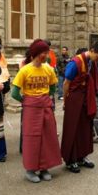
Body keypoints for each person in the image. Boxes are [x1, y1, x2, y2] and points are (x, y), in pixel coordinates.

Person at [11, 39, 62, 183]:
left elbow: (52, 87)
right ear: (35, 54)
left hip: (45, 106)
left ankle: (45, 168)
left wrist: (48, 98)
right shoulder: (25, 70)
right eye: (43, 53)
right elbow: (14, 92)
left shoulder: (48, 69)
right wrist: (26, 102)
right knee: (31, 139)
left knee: (48, 137)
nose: (45, 55)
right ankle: (31, 169)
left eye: (46, 53)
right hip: (31, 108)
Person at [61, 41, 98, 173]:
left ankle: (82, 156)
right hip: (74, 99)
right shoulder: (75, 62)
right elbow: (66, 83)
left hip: (85, 99)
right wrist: (66, 100)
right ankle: (71, 160)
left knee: (85, 128)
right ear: (92, 50)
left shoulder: (91, 62)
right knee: (73, 129)